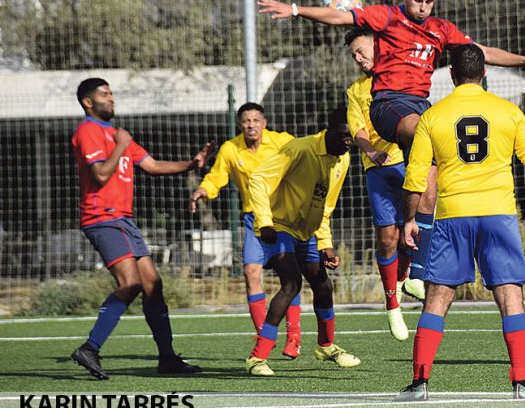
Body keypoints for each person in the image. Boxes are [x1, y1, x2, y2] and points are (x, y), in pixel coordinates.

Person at [258, 0, 525, 285]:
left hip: (419, 105)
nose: (423, 7)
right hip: (388, 104)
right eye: (417, 0)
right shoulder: (387, 17)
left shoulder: (441, 29)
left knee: (430, 183)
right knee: (427, 132)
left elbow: (480, 52)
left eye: (429, 2)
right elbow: (340, 17)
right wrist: (295, 10)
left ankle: (415, 270)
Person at [393, 44, 525, 401]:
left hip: (452, 217)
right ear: (484, 72)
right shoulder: (508, 112)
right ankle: (521, 383)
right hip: (498, 214)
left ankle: (419, 383)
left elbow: (416, 178)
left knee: (437, 296)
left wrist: (409, 219)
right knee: (510, 294)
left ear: (451, 75)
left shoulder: (433, 116)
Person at [70, 78, 210, 379]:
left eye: (111, 93)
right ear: (87, 102)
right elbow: (100, 174)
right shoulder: (89, 132)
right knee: (131, 283)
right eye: (104, 94)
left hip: (123, 219)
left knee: (152, 285)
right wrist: (121, 144)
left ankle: (167, 358)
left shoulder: (116, 134)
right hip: (102, 218)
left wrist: (191, 164)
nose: (111, 98)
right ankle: (90, 348)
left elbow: (152, 165)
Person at [244, 107, 361, 376]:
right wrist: (265, 221)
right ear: (329, 129)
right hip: (278, 227)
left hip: (306, 232)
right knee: (292, 283)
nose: (348, 142)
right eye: (344, 135)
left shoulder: (342, 159)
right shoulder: (300, 149)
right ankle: (257, 357)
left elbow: (325, 205)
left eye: (352, 138)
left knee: (323, 285)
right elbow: (259, 179)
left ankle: (326, 346)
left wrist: (325, 243)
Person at [188, 103, 304, 358]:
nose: (251, 125)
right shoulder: (231, 148)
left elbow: (306, 157)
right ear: (240, 124)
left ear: (264, 123)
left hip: (282, 218)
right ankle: (265, 335)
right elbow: (216, 176)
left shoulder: (283, 142)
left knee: (288, 276)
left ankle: (294, 335)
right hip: (254, 220)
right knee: (251, 272)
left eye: (255, 120)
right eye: (246, 121)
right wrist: (203, 190)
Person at [344, 27, 425, 342]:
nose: (358, 58)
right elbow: (358, 130)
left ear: (378, 47)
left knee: (412, 232)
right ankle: (392, 305)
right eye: (354, 54)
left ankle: (406, 278)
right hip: (377, 169)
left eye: (361, 50)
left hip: (408, 163)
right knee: (387, 239)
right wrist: (370, 152)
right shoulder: (356, 91)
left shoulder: (402, 78)